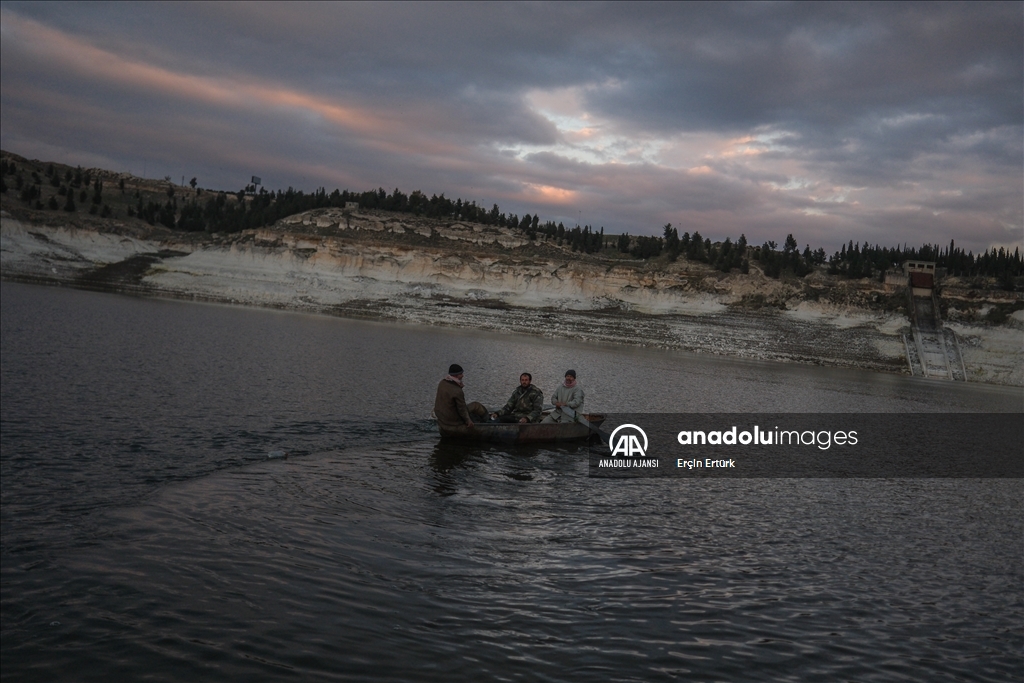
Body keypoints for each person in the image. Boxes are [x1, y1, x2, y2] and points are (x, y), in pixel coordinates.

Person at [434, 364, 474, 428]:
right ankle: (489, 420)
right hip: (452, 420)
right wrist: (468, 421)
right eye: (461, 374)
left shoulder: (442, 383)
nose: (463, 375)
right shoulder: (457, 391)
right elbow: (462, 408)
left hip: (442, 417)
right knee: (476, 406)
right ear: (456, 375)